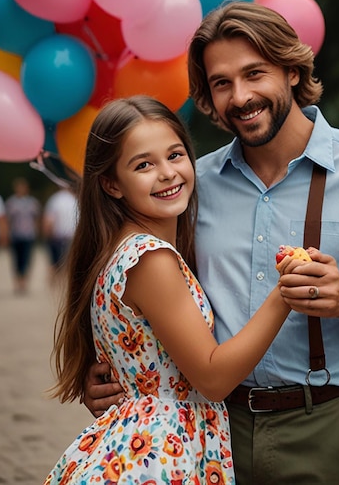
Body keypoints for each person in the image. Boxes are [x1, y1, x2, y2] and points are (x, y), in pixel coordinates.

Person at [84, 2, 339, 484]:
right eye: (221, 83)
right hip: (206, 433)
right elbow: (149, 294)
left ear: (292, 70)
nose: (240, 96)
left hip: (320, 427)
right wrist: (117, 374)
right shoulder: (193, 184)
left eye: (255, 73)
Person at [44, 96, 292, 484]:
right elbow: (211, 379)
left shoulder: (126, 248)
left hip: (143, 441)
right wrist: (284, 294)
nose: (166, 173)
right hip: (158, 454)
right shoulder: (150, 259)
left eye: (175, 155)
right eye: (143, 164)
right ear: (111, 184)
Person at [5, 177, 41, 294]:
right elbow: (7, 219)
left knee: (27, 259)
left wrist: (37, 231)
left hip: (28, 235)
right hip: (15, 234)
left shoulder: (32, 202)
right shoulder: (11, 202)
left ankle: (24, 282)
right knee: (16, 259)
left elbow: (37, 218)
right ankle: (17, 281)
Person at [42, 186, 77, 282]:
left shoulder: (54, 199)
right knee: (69, 262)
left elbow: (49, 219)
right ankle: (65, 282)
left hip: (57, 236)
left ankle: (53, 282)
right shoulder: (74, 199)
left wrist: (47, 234)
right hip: (72, 235)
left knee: (55, 261)